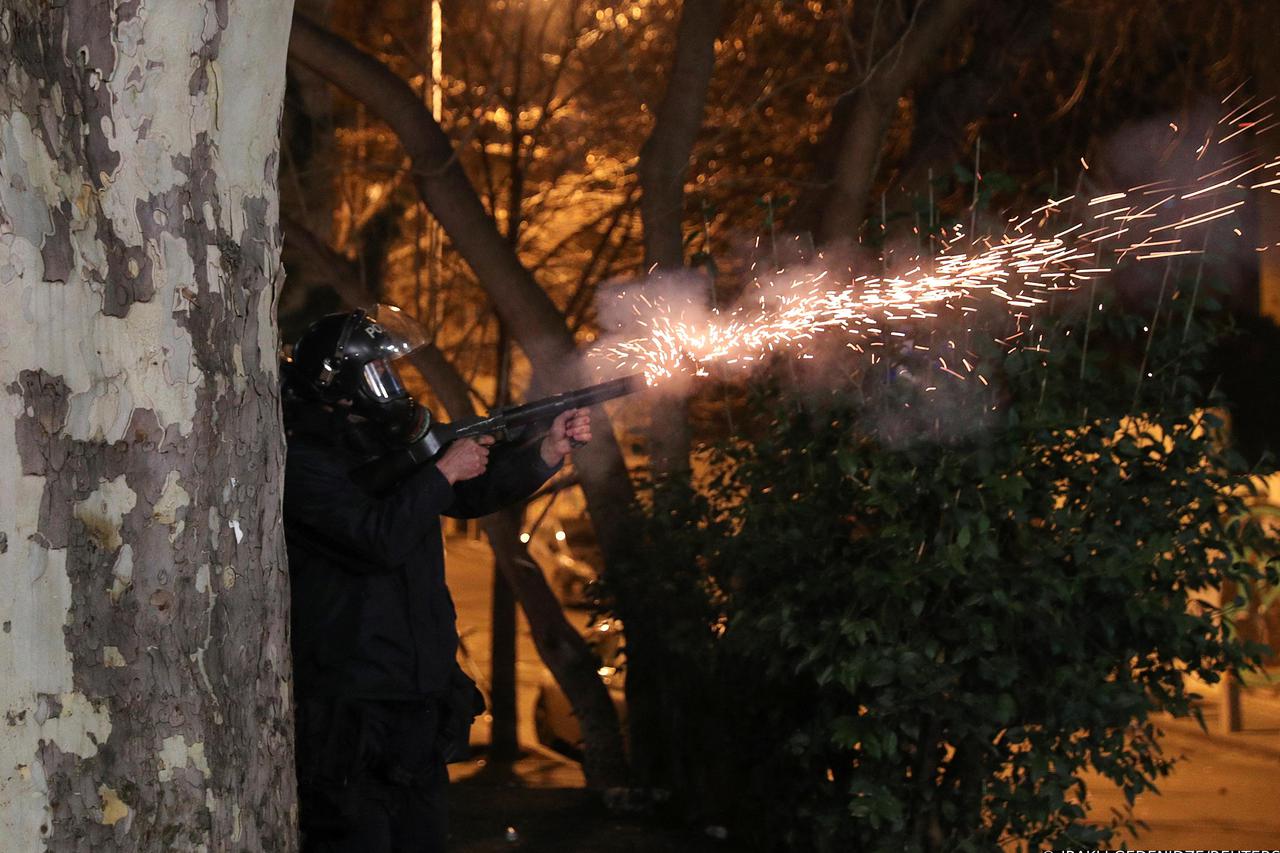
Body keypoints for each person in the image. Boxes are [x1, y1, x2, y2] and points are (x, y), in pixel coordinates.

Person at [281, 306, 591, 852]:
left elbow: (467, 495)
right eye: (376, 373)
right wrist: (443, 471)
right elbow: (374, 536)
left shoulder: (381, 445)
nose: (391, 385)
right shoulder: (304, 459)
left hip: (416, 700)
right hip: (353, 708)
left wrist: (545, 451)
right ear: (342, 383)